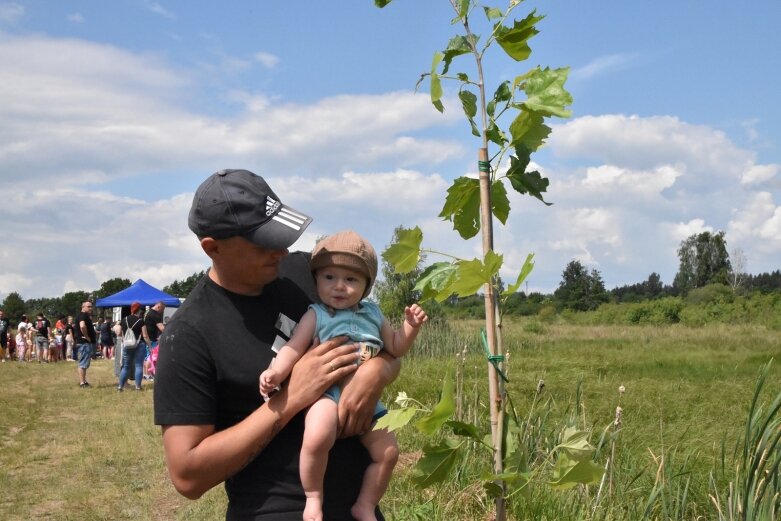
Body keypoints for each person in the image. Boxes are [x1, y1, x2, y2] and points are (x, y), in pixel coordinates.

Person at [154, 169, 401, 521]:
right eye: (263, 242)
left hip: (358, 507)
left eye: (281, 236)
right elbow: (187, 475)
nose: (281, 250)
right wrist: (289, 400)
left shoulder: (307, 274)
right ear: (213, 247)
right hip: (276, 510)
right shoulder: (189, 334)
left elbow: (382, 342)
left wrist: (375, 372)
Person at [259, 230, 427, 521]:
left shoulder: (374, 315)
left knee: (388, 453)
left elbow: (396, 348)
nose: (339, 287)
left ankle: (365, 504)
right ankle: (313, 497)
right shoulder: (316, 314)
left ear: (366, 286)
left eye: (351, 280)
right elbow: (293, 347)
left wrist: (410, 327)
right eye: (329, 278)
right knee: (316, 436)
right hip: (326, 394)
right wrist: (275, 372)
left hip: (367, 398)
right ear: (317, 280)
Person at [118, 302, 146, 392]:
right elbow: (145, 335)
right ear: (139, 310)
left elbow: (119, 333)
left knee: (126, 366)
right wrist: (149, 345)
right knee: (138, 366)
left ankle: (120, 387)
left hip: (127, 345)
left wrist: (123, 341)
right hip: (139, 344)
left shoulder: (123, 320)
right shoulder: (141, 321)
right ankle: (138, 387)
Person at [74, 301, 96, 387]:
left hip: (84, 343)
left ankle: (84, 381)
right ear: (83, 307)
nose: (91, 308)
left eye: (91, 306)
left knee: (85, 362)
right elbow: (82, 326)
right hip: (84, 343)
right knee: (83, 363)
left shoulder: (84, 315)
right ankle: (82, 383)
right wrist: (87, 337)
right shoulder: (83, 315)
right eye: (88, 306)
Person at [142, 301, 165, 380]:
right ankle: (149, 375)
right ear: (159, 306)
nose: (162, 311)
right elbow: (162, 328)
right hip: (151, 339)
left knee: (146, 357)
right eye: (162, 309)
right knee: (151, 357)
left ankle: (145, 374)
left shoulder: (147, 312)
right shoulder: (155, 314)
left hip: (146, 338)